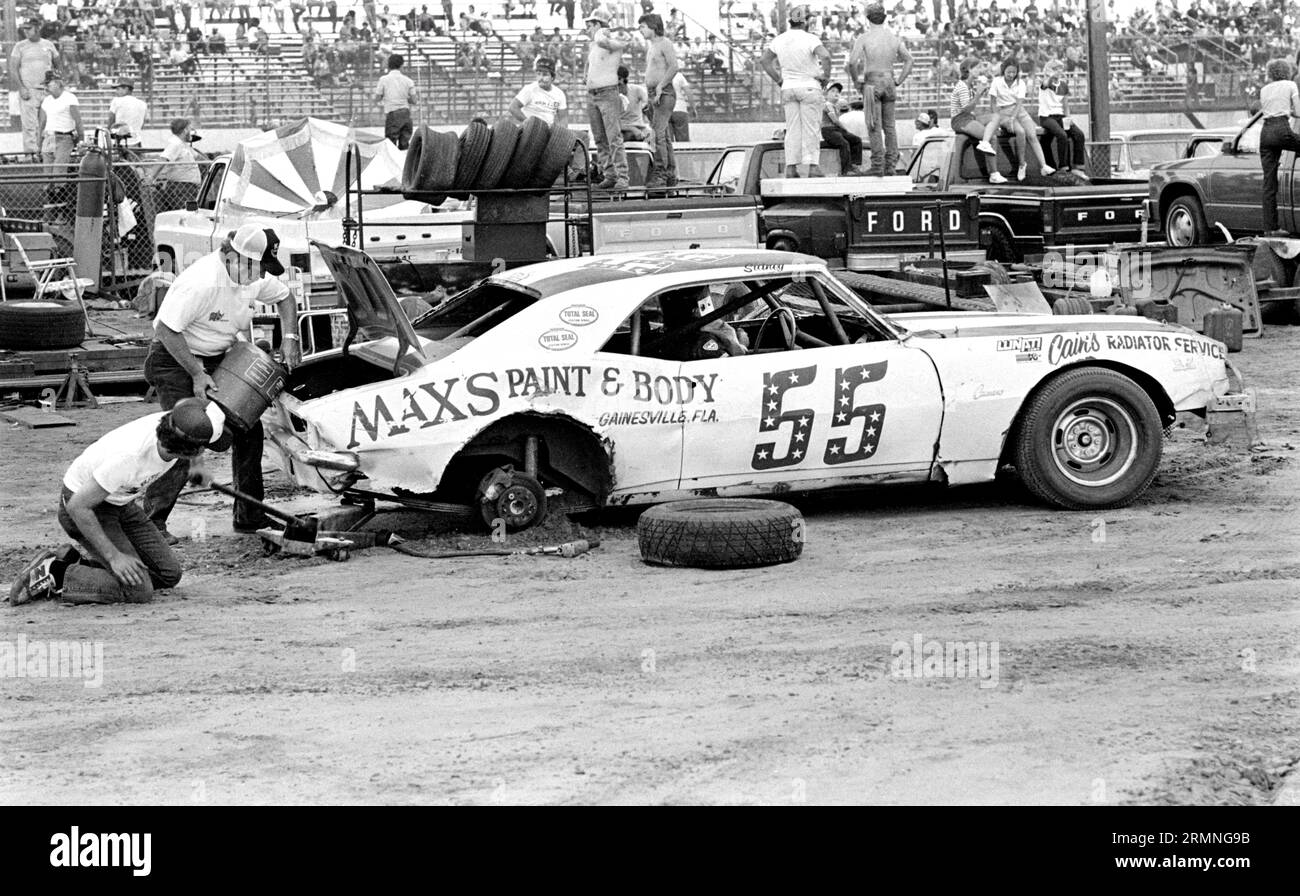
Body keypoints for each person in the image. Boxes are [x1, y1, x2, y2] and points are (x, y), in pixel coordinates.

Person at [144, 225, 301, 540]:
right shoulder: (201, 283)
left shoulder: (250, 274)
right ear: (235, 258)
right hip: (176, 358)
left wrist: (291, 337)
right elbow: (166, 330)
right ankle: (151, 523)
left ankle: (250, 517)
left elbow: (286, 297)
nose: (260, 277)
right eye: (258, 269)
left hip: (217, 356)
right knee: (186, 435)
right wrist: (196, 374)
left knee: (249, 428)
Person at [8, 399, 226, 607]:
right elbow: (77, 507)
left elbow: (193, 416)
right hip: (87, 509)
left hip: (120, 502)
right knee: (138, 591)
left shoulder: (175, 423)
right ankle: (55, 572)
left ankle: (78, 563)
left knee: (168, 573)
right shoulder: (129, 458)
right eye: (203, 448)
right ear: (189, 449)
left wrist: (197, 465)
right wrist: (114, 557)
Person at [761, 4, 831, 179]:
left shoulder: (779, 39)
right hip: (808, 85)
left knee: (792, 129)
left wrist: (778, 79)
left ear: (790, 21)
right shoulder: (810, 38)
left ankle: (791, 167)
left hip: (788, 87)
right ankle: (812, 166)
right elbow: (826, 56)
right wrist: (826, 76)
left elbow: (765, 61)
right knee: (811, 128)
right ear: (805, 21)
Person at [848, 3, 913, 176]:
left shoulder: (864, 38)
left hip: (872, 81)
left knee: (874, 125)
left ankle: (878, 164)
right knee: (890, 127)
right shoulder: (893, 38)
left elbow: (852, 62)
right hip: (890, 80)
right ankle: (891, 165)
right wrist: (899, 79)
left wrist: (856, 81)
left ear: (868, 18)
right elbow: (909, 60)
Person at [978, 58, 1054, 181]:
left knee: (1032, 135)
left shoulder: (1021, 83)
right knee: (1020, 132)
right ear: (1004, 71)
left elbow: (1019, 104)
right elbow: (992, 102)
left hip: (1019, 111)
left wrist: (1013, 117)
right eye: (1009, 72)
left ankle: (1044, 166)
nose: (1011, 75)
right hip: (1003, 111)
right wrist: (996, 118)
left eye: (1014, 72)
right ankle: (1022, 164)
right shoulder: (997, 82)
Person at [584, 6, 631, 191]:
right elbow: (591, 61)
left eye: (590, 26)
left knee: (613, 137)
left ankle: (622, 177)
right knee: (600, 138)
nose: (588, 30)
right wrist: (586, 75)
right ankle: (609, 174)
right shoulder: (593, 45)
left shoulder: (611, 41)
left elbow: (603, 42)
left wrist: (601, 31)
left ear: (597, 25)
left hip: (607, 93)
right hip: (593, 94)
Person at [8, 19, 61, 159]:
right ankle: (31, 155)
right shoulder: (20, 46)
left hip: (46, 90)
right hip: (29, 90)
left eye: (29, 28)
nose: (26, 31)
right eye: (24, 28)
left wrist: (57, 85)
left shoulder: (48, 44)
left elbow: (58, 64)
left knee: (47, 124)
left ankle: (46, 153)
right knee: (29, 125)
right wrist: (21, 87)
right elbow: (13, 68)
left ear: (37, 28)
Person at [1259, 58, 1300, 235]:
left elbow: (1269, 110)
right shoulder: (1291, 84)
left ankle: (1270, 229)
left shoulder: (1264, 89)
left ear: (1270, 73)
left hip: (1266, 134)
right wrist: (1290, 110)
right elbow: (1298, 112)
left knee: (1269, 184)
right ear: (1287, 70)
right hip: (1282, 129)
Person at [948, 58, 1007, 183]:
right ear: (969, 69)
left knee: (996, 116)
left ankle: (984, 142)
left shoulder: (969, 85)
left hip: (969, 118)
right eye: (977, 68)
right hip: (960, 120)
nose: (980, 70)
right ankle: (994, 174)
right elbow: (967, 109)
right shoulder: (962, 86)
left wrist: (982, 91)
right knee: (992, 137)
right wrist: (978, 94)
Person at [639, 13, 678, 187]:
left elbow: (674, 66)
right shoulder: (652, 46)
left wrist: (661, 86)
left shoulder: (665, 43)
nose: (641, 30)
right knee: (664, 136)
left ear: (653, 27)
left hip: (664, 92)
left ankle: (661, 173)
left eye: (643, 27)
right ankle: (669, 173)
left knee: (659, 134)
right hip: (653, 92)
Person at [1038, 59, 1086, 174]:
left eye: (1060, 69)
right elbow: (1044, 84)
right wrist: (1049, 75)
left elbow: (1065, 105)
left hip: (1060, 115)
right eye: (1055, 69)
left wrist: (1068, 118)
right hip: (1047, 116)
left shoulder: (1064, 85)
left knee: (1079, 134)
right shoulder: (1046, 82)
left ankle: (1078, 166)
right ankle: (1063, 166)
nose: (1059, 71)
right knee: (1062, 135)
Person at [150, 118, 205, 212]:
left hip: (186, 188)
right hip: (182, 189)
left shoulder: (182, 145)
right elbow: (163, 159)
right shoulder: (175, 144)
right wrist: (150, 177)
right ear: (185, 130)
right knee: (187, 215)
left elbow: (199, 157)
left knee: (189, 214)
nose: (191, 132)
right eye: (190, 129)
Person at [37, 73, 81, 174]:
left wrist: (81, 139)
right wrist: (39, 141)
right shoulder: (46, 100)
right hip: (48, 137)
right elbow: (42, 123)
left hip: (64, 137)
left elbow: (78, 121)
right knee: (47, 170)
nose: (46, 87)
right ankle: (49, 188)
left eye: (48, 84)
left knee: (59, 169)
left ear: (57, 83)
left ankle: (59, 188)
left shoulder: (70, 98)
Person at [375, 53, 418, 149]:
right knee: (404, 144)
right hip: (406, 114)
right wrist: (405, 97)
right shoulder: (408, 81)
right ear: (402, 65)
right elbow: (414, 100)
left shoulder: (383, 79)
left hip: (392, 113)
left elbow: (377, 98)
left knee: (391, 145)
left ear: (389, 65)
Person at [510, 57, 569, 127]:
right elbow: (513, 107)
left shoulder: (559, 94)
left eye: (545, 75)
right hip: (529, 130)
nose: (541, 78)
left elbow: (563, 118)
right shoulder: (530, 89)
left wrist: (562, 133)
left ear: (552, 77)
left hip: (548, 130)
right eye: (538, 74)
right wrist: (528, 122)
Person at [822, 83, 865, 174]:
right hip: (828, 130)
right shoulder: (827, 105)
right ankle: (846, 170)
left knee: (856, 140)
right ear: (826, 94)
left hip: (836, 130)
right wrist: (845, 129)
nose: (836, 93)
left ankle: (854, 164)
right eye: (833, 91)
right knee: (844, 144)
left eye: (838, 92)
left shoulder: (835, 106)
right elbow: (835, 121)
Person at [107, 78, 148, 146]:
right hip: (136, 142)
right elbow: (142, 125)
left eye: (118, 89)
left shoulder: (116, 101)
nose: (116, 92)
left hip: (120, 143)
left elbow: (111, 122)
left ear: (126, 89)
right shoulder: (143, 104)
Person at [616, 64, 651, 141]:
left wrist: (646, 107)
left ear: (622, 79)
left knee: (652, 137)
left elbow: (648, 102)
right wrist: (632, 129)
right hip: (621, 129)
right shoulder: (611, 96)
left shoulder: (637, 90)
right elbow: (611, 123)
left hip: (639, 127)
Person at [670, 70, 692, 140]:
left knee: (667, 141)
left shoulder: (659, 75)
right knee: (683, 140)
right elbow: (688, 92)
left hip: (665, 109)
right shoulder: (679, 76)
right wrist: (693, 107)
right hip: (679, 107)